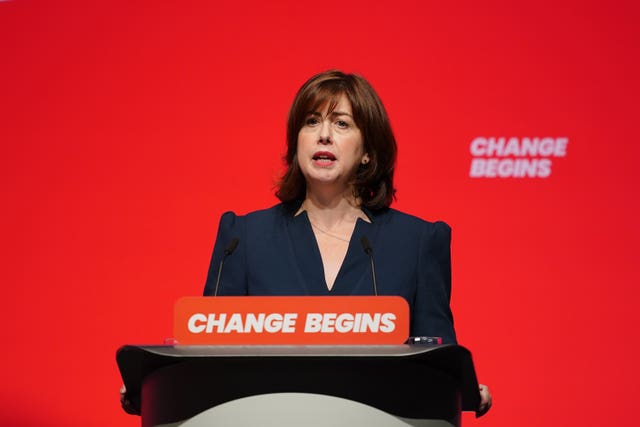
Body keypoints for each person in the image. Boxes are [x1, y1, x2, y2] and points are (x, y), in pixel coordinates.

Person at [202, 70, 492, 416]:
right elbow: (207, 352)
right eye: (311, 122)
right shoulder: (245, 237)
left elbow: (436, 354)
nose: (323, 135)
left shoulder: (416, 242)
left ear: (368, 151)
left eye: (341, 124)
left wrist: (455, 385)